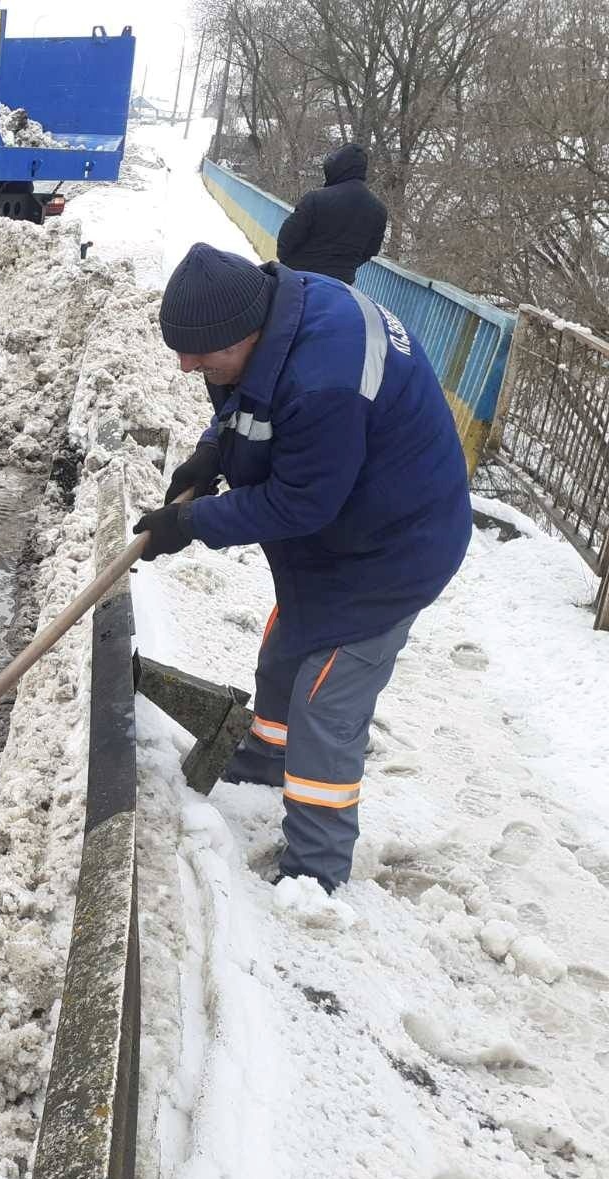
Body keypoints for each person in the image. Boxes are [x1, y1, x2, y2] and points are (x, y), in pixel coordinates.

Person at [132, 243, 471, 892]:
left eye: (200, 355)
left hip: (392, 554)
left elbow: (301, 502)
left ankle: (316, 872)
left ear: (245, 332)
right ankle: (264, 764)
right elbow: (249, 400)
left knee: (326, 708)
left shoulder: (326, 378)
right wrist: (211, 455)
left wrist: (191, 524)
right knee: (285, 655)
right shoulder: (277, 310)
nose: (185, 367)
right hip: (345, 536)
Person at [275, 144, 388, 284]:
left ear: (336, 167)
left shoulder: (316, 199)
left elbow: (287, 238)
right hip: (340, 285)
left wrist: (288, 263)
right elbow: (370, 251)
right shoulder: (379, 210)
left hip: (299, 279)